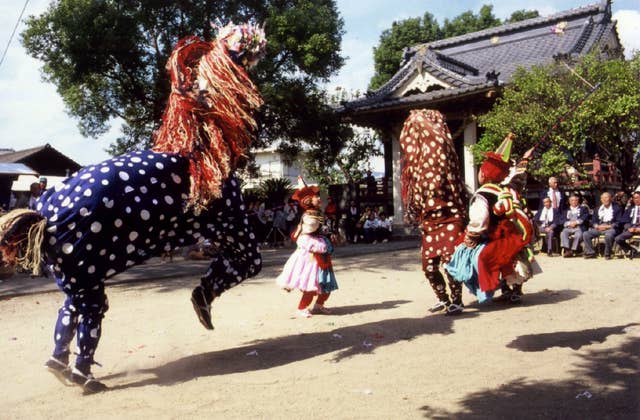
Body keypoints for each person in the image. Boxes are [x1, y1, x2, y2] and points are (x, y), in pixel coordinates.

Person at [0, 21, 266, 394]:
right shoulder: (199, 102)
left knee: (77, 300)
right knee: (90, 304)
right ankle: (81, 368)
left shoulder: (53, 222)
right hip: (184, 173)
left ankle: (59, 356)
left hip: (103, 206)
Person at [446, 133, 536, 305]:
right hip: (511, 234)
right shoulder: (506, 189)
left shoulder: (483, 194)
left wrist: (470, 236)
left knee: (461, 256)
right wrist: (525, 160)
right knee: (511, 258)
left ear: (485, 173)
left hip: (491, 235)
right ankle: (513, 291)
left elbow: (480, 219)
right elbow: (518, 179)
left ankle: (475, 293)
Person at [399, 109, 468, 315]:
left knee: (449, 264)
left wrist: (422, 119)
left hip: (449, 217)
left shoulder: (443, 159)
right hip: (429, 222)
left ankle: (457, 300)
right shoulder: (416, 168)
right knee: (429, 267)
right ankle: (442, 298)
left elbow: (439, 143)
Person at [276, 178, 338, 317]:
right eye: (316, 197)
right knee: (311, 282)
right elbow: (311, 229)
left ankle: (319, 305)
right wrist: (325, 230)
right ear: (308, 200)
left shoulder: (316, 214)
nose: (318, 198)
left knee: (326, 282)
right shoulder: (309, 216)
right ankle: (302, 308)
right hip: (311, 252)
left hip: (320, 249)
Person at [582, 192, 623, 259]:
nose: (605, 199)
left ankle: (607, 253)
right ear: (601, 200)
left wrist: (608, 227)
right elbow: (593, 221)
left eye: (606, 197)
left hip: (611, 227)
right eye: (603, 198)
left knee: (608, 235)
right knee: (586, 234)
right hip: (600, 227)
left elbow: (619, 222)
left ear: (610, 199)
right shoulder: (597, 209)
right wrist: (596, 226)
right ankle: (590, 252)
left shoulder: (617, 208)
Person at [614, 191, 640, 259]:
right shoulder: (630, 209)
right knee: (618, 239)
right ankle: (631, 250)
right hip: (632, 228)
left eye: (638, 198)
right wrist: (628, 228)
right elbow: (624, 220)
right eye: (634, 198)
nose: (636, 200)